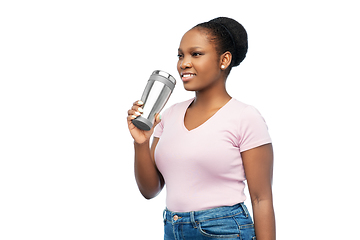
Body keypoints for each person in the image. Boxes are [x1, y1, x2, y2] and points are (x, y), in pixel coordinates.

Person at [127, 17, 275, 240]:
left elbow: (261, 198)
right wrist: (141, 143)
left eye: (195, 54)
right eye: (180, 55)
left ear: (224, 60)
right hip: (173, 228)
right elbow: (150, 190)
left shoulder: (245, 117)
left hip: (225, 230)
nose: (183, 63)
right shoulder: (168, 116)